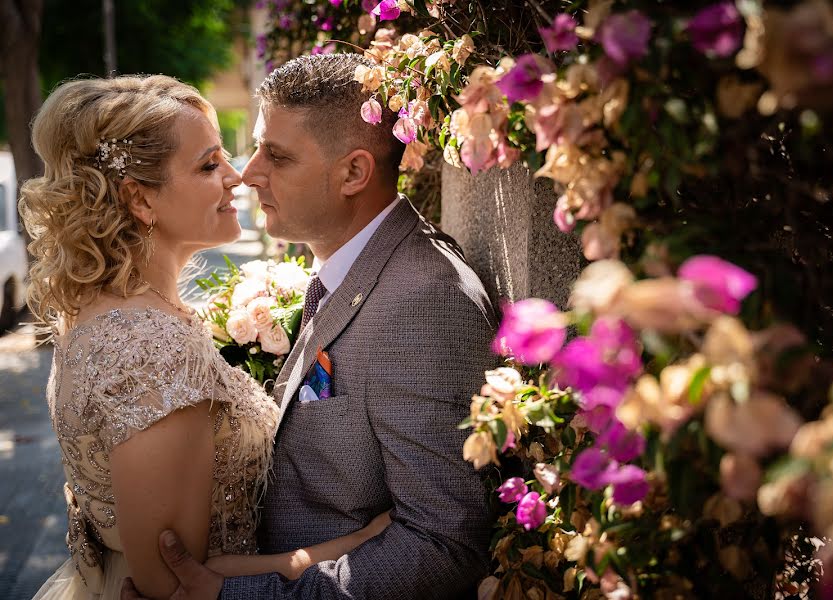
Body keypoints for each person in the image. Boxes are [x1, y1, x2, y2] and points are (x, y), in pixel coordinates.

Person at [122, 53, 498, 599]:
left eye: (276, 155)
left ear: (353, 173)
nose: (248, 173)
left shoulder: (424, 300)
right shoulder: (346, 264)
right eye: (255, 146)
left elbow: (444, 546)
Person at [21, 75, 390, 600]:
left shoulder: (112, 312)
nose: (236, 177)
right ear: (139, 199)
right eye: (208, 164)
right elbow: (171, 581)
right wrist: (349, 547)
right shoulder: (150, 348)